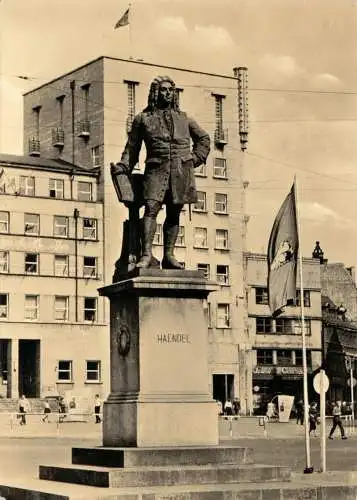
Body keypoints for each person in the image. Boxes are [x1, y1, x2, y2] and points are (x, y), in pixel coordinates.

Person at [111, 75, 210, 270]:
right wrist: (123, 166)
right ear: (155, 93)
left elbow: (204, 139)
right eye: (163, 90)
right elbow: (132, 148)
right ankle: (147, 254)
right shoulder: (143, 118)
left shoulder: (184, 118)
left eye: (170, 90)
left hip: (180, 173)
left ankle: (169, 255)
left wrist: (194, 158)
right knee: (151, 209)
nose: (167, 93)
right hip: (155, 171)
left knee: (174, 214)